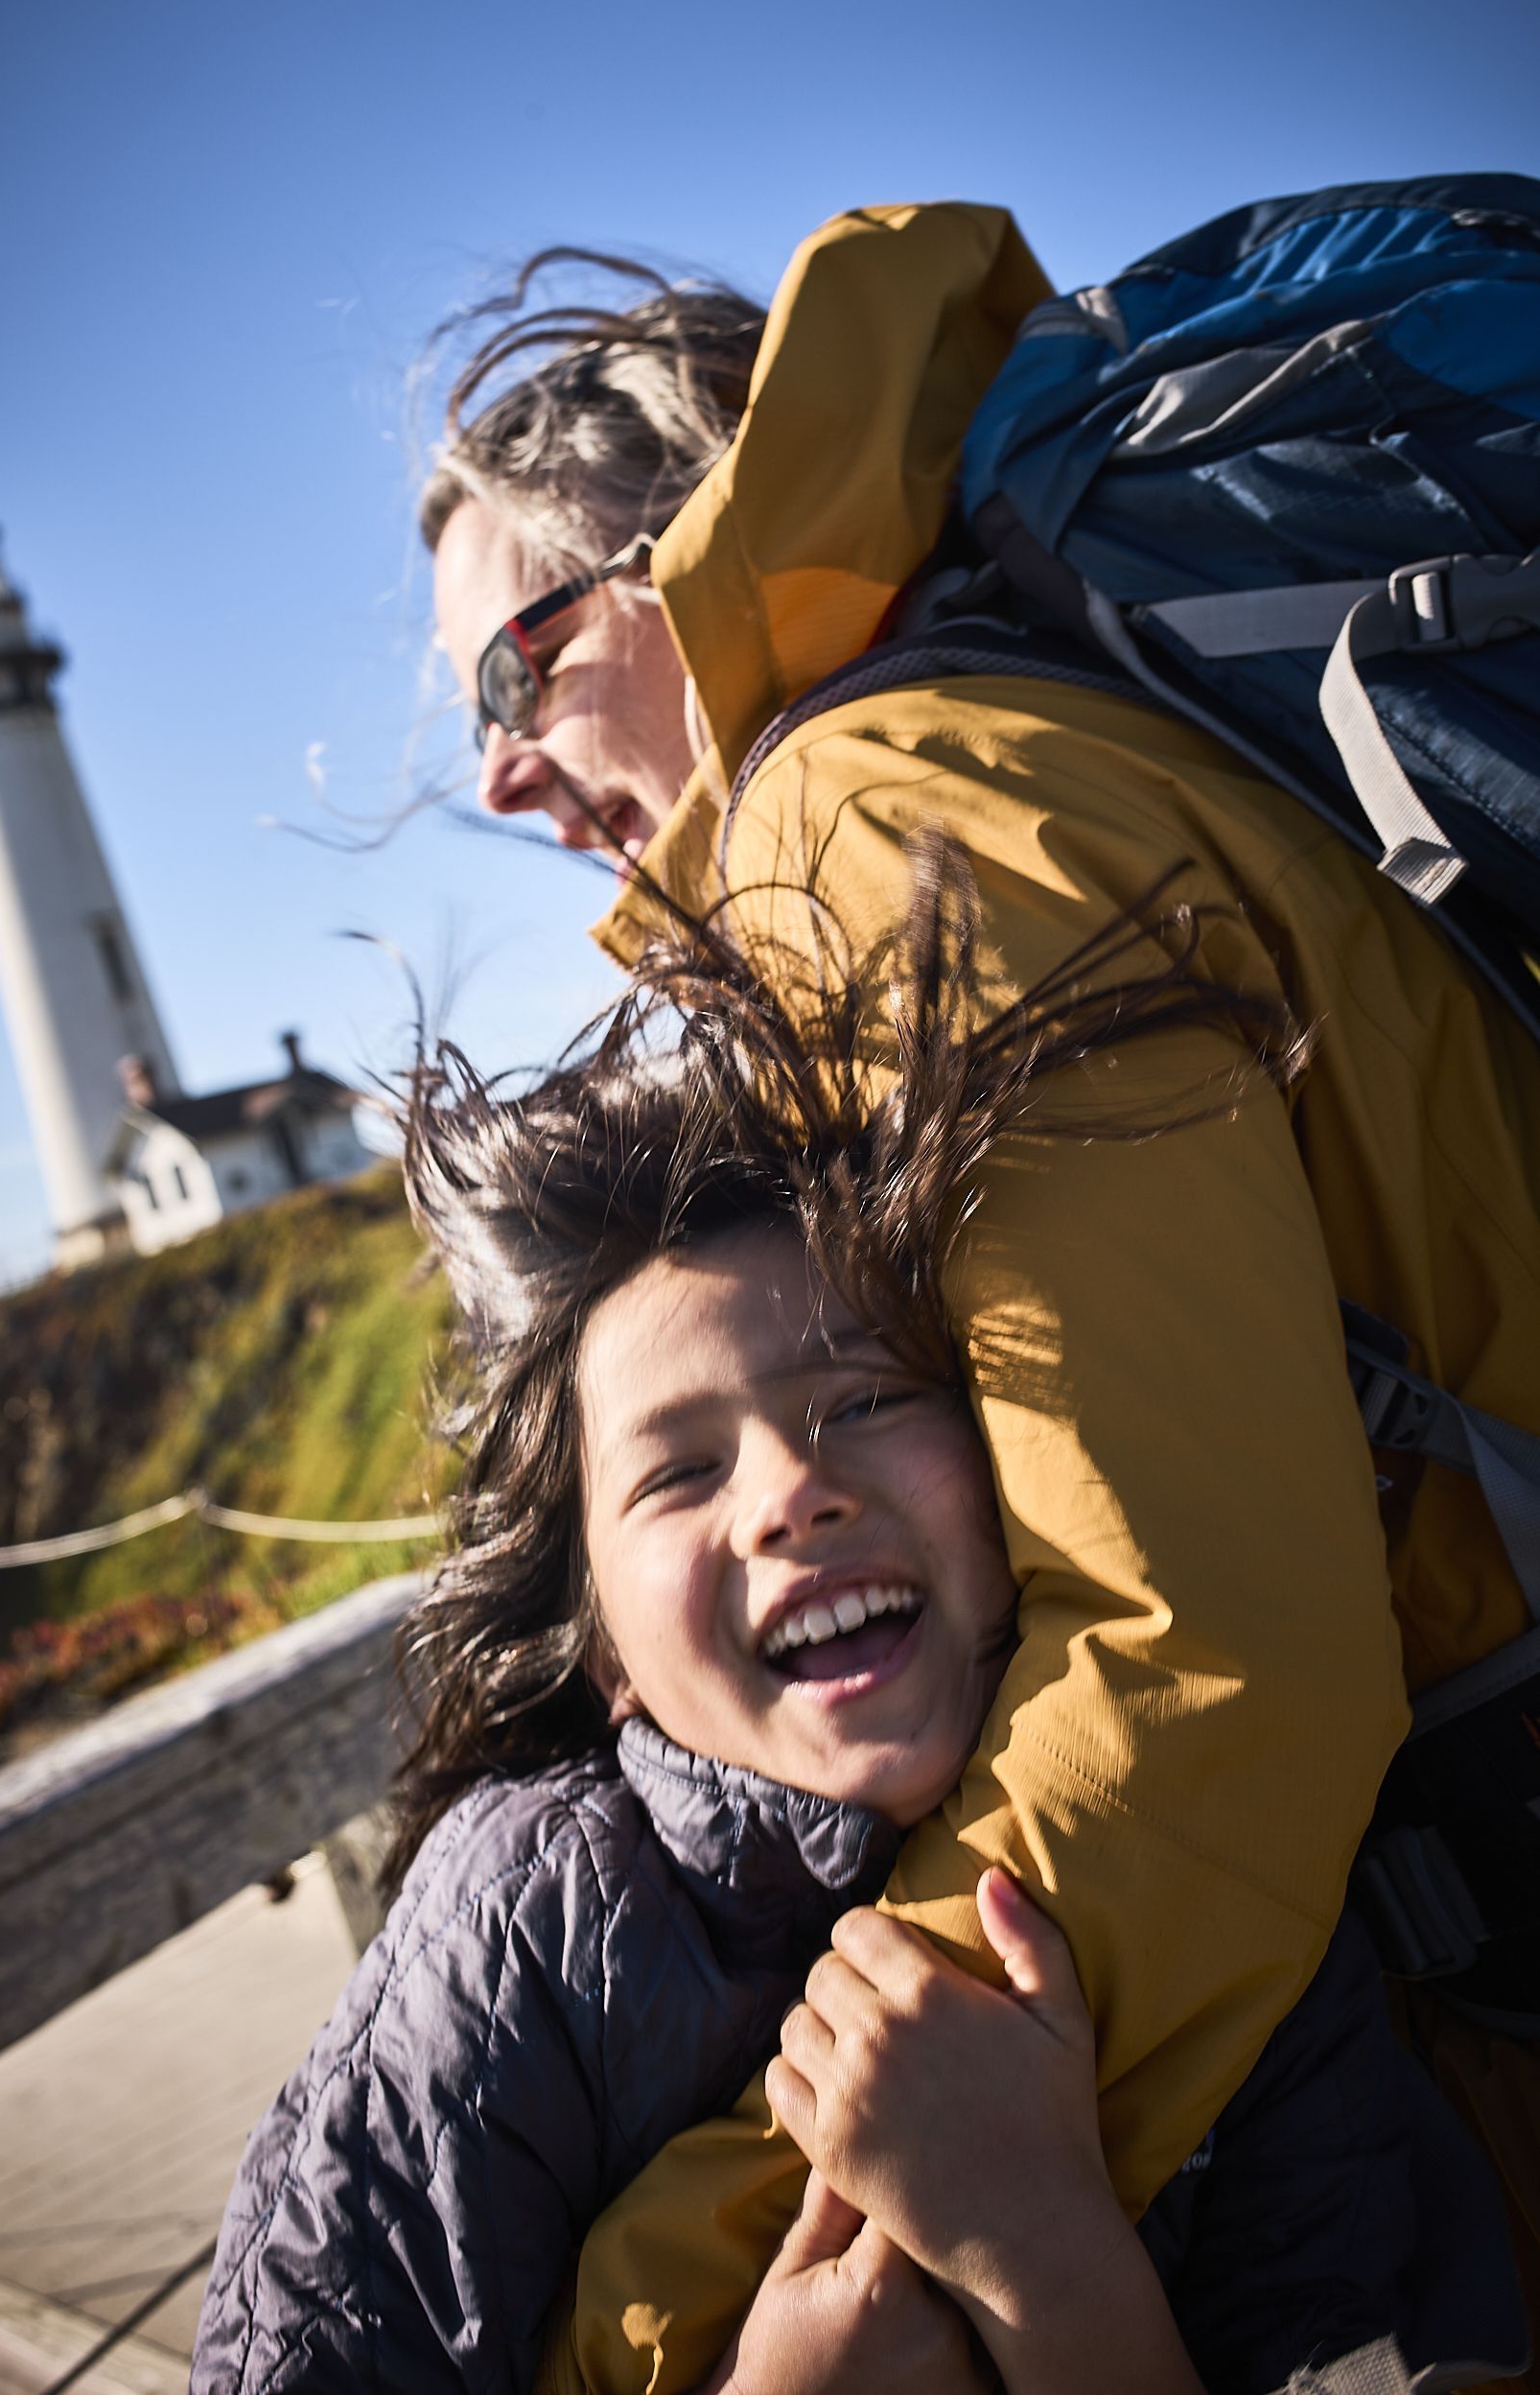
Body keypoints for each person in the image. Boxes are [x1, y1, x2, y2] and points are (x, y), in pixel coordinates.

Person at [421, 203, 1540, 2392]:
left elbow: (1203, 1655)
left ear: (674, 555)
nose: (496, 772)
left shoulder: (873, 807)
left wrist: (666, 2309)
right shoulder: (1016, 731)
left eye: (508, 664)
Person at [194, 851, 1523, 2393]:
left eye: (869, 1395)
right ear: (605, 1649)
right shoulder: (519, 1935)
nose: (786, 1493)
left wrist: (1044, 2258)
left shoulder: (1223, 1893)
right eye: (677, 1469)